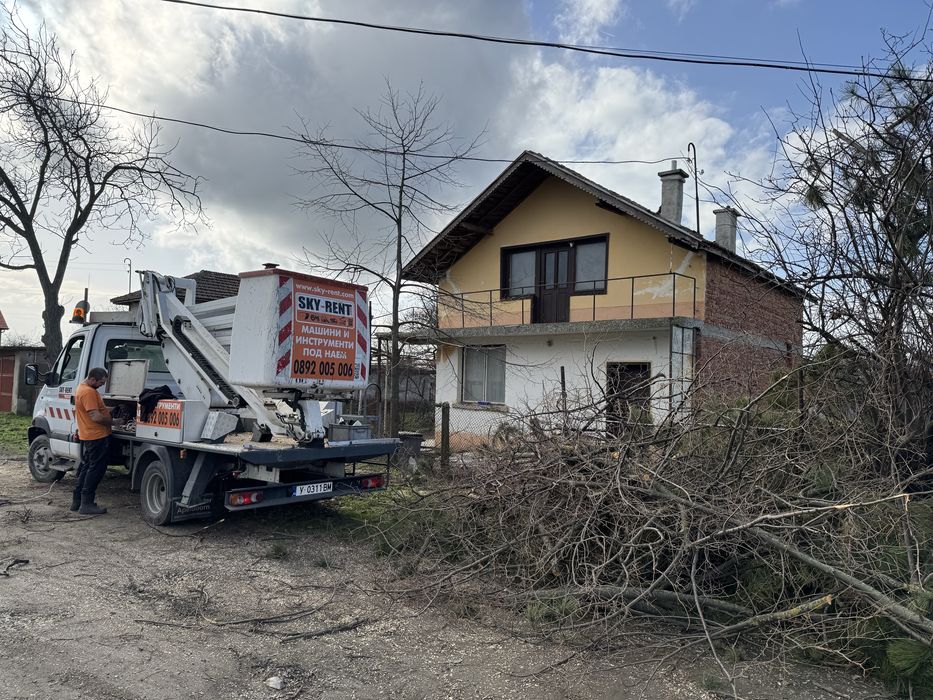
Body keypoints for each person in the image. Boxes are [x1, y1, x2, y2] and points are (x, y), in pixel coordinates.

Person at [72, 367, 115, 515]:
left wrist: (108, 409)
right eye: (101, 382)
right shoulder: (89, 392)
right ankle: (87, 504)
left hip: (88, 435)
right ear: (92, 379)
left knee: (87, 467)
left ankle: (77, 501)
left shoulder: (82, 388)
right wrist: (114, 422)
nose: (102, 385)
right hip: (96, 436)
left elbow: (94, 409)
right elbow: (95, 416)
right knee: (96, 470)